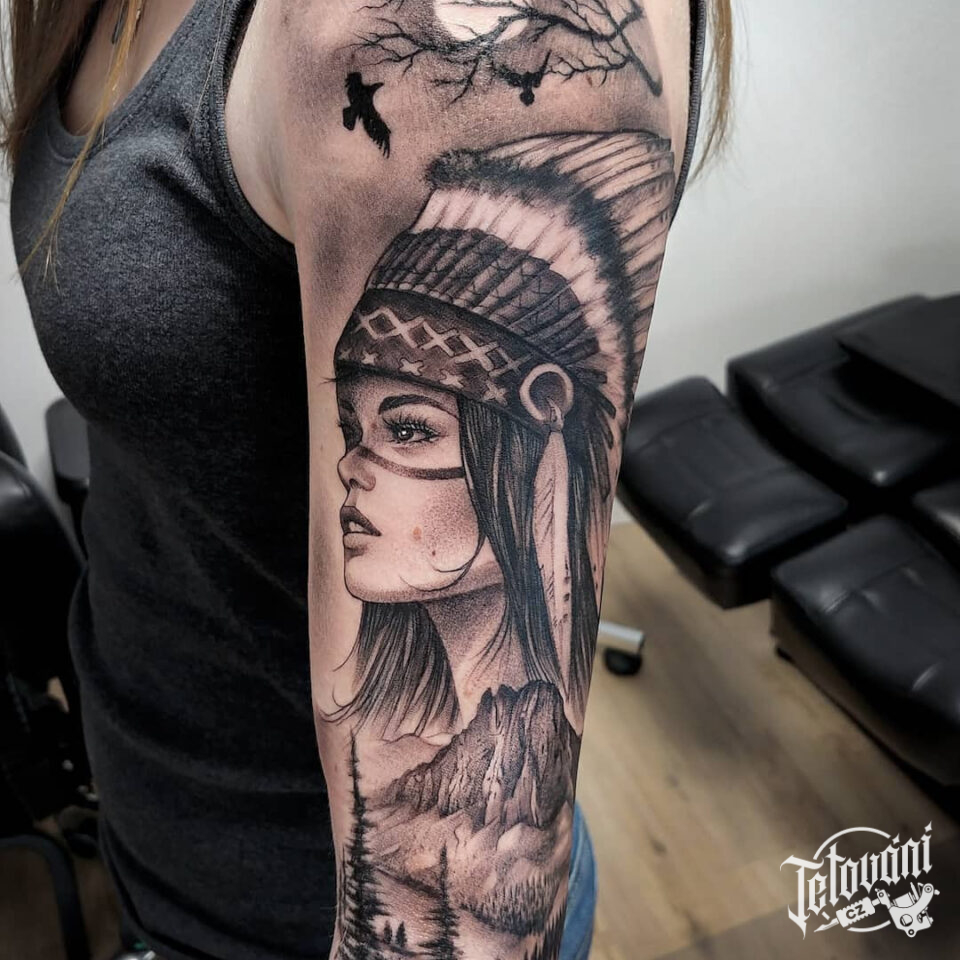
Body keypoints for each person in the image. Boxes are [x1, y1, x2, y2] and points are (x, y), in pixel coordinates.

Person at [3, 1, 730, 958]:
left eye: (411, 428)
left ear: (538, 425)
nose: (356, 465)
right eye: (356, 425)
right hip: (162, 831)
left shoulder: (448, 33)